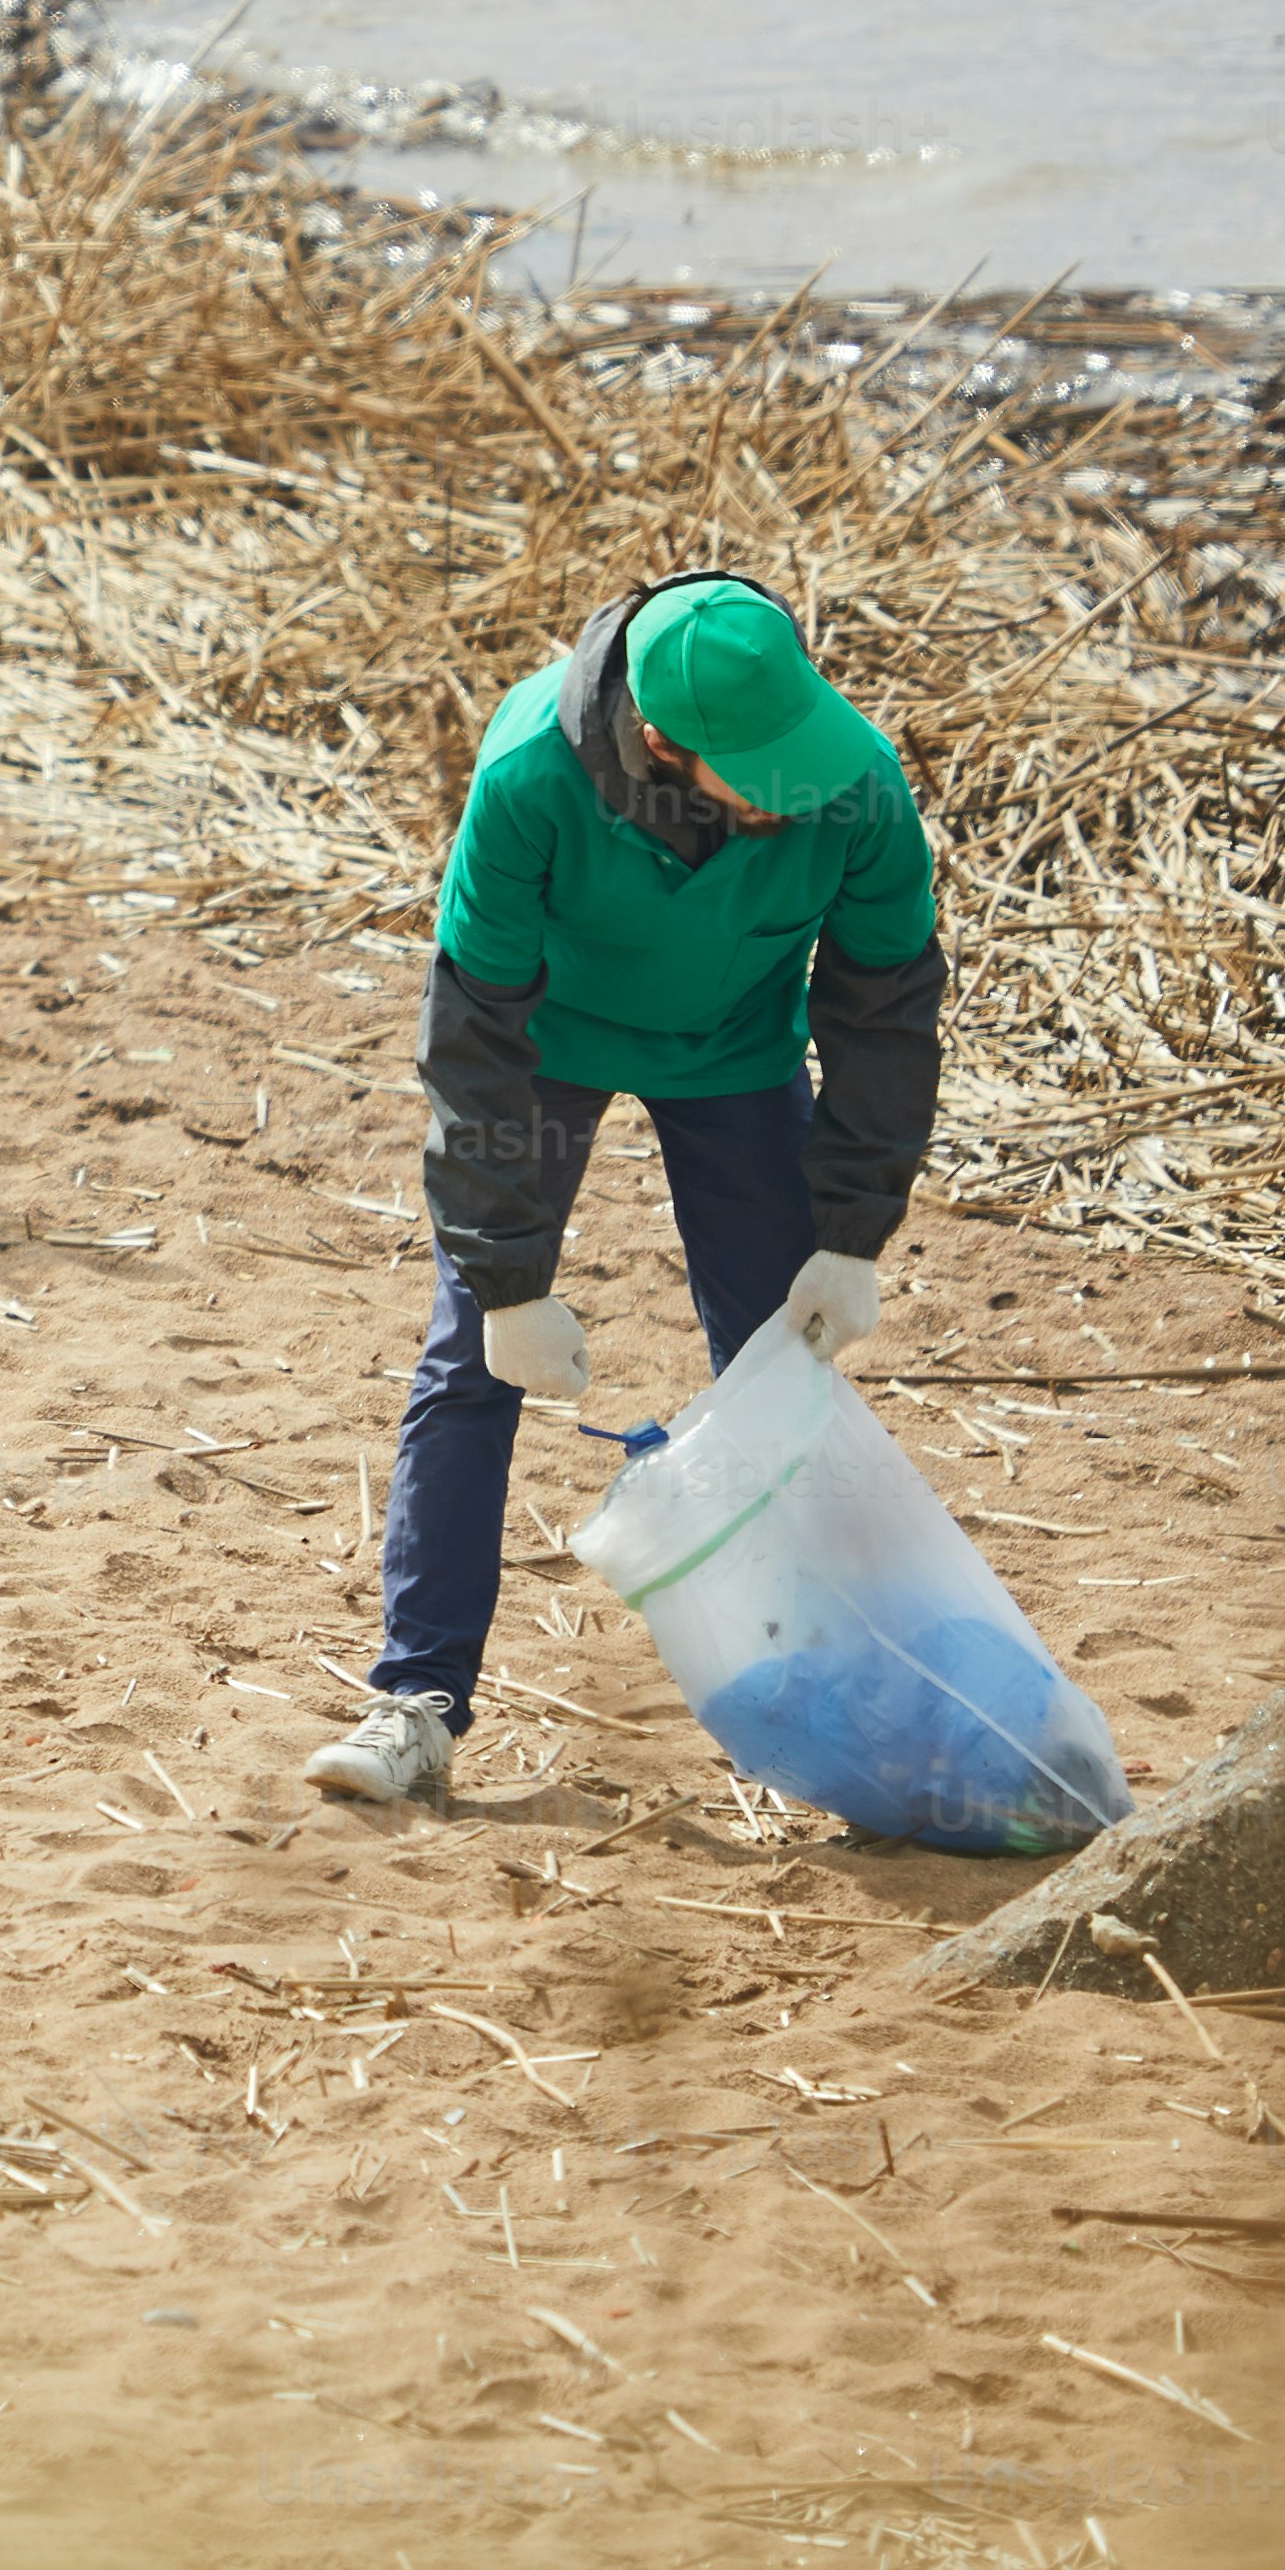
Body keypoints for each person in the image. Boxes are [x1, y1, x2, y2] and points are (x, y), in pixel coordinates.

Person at [310, 573, 948, 1807]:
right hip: (543, 1047)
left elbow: (885, 1006)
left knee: (782, 1366)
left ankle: (833, 1698)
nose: (798, 783)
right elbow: (475, 1029)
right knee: (470, 1360)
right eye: (761, 765)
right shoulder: (526, 778)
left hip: (735, 1056)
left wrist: (857, 1227)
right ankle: (417, 1700)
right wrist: (507, 1278)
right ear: (662, 744)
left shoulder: (855, 780)